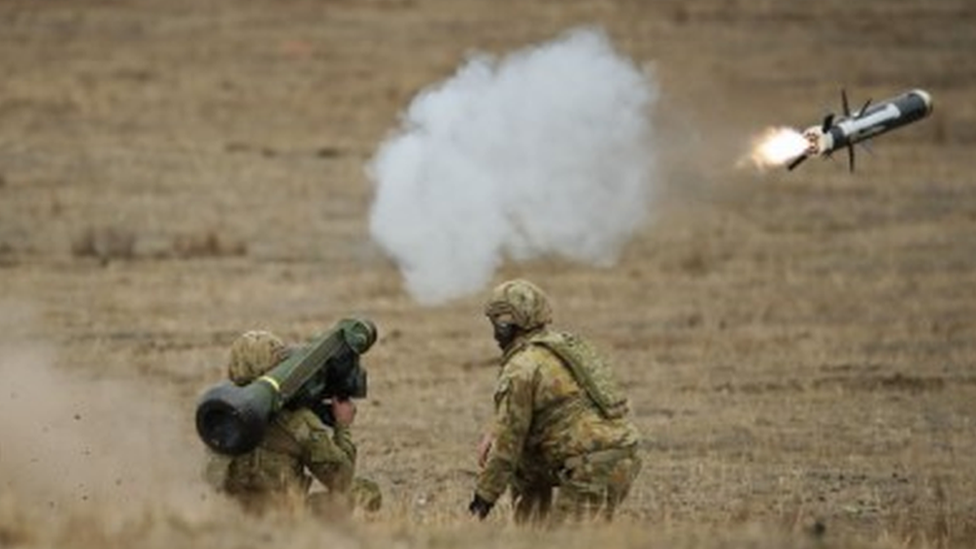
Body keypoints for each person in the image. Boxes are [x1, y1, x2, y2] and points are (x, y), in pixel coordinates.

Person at [468, 279, 642, 525]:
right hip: (622, 453)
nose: (495, 332)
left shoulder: (520, 367)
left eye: (497, 323)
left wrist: (480, 504)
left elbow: (507, 449)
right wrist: (496, 429)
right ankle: (530, 532)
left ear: (507, 324)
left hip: (591, 468)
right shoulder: (567, 346)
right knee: (524, 469)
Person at [205, 330, 382, 517]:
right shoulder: (297, 422)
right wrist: (342, 426)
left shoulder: (219, 414)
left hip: (232, 513)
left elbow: (210, 478)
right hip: (285, 516)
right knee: (365, 490)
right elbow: (340, 479)